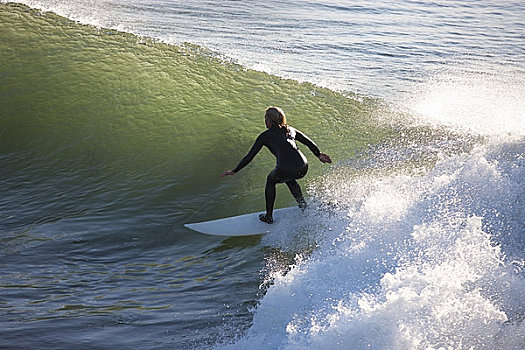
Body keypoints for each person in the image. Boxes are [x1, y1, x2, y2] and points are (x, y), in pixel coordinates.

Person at [221, 106, 332, 224]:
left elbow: (250, 155)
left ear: (271, 120)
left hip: (285, 167)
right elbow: (308, 142)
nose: (265, 121)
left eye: (266, 118)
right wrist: (318, 154)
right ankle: (303, 206)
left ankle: (269, 216)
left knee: (271, 180)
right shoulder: (290, 129)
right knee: (289, 179)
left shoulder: (265, 136)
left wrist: (235, 170)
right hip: (302, 166)